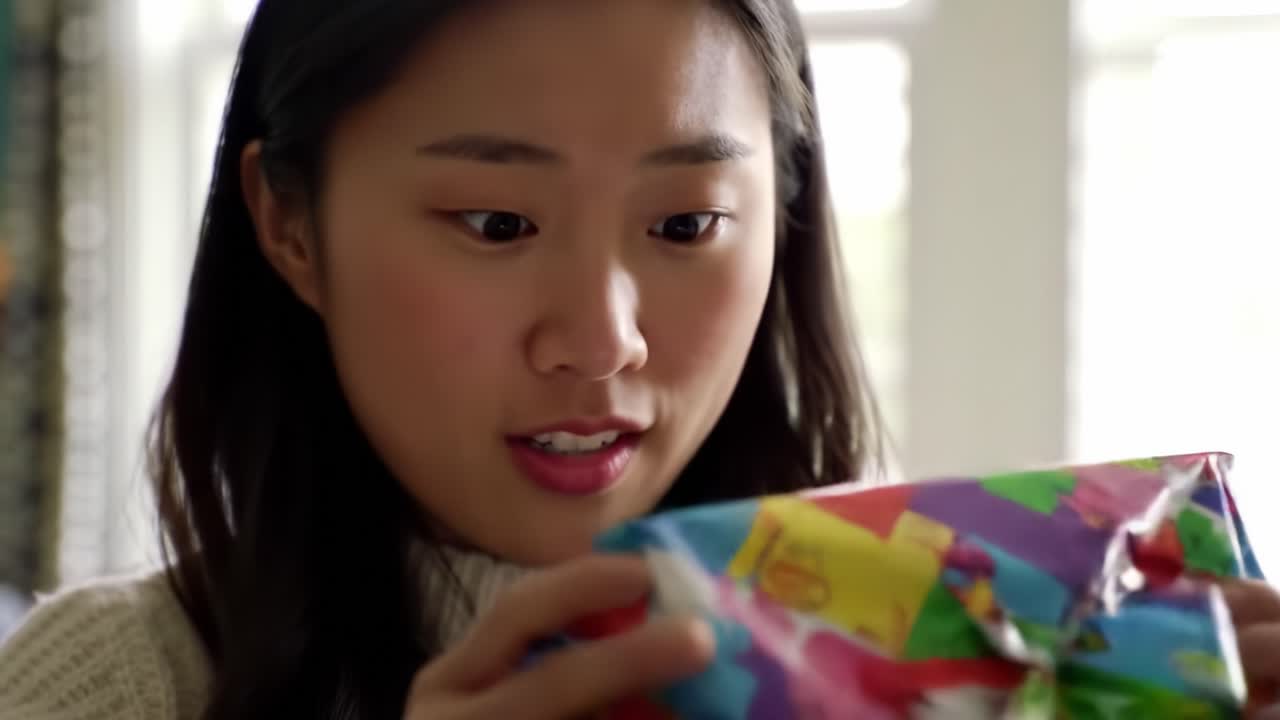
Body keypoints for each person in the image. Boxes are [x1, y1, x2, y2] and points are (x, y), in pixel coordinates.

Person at [2, 1, 1279, 719]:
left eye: (683, 227)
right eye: (494, 225)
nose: (604, 338)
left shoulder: (976, 652)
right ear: (289, 227)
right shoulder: (111, 687)